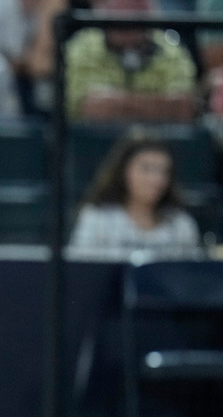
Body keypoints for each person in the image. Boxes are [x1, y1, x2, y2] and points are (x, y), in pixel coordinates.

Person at [68, 129, 203, 260]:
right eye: (146, 169)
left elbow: (193, 277)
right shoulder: (97, 218)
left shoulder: (181, 224)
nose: (156, 179)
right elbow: (79, 273)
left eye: (163, 171)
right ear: (123, 170)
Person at [64, 0, 198, 121]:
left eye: (138, 13)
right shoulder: (83, 46)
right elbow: (88, 108)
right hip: (92, 143)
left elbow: (183, 108)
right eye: (122, 15)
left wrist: (116, 104)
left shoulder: (172, 49)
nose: (129, 21)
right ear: (105, 10)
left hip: (160, 142)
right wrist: (157, 106)